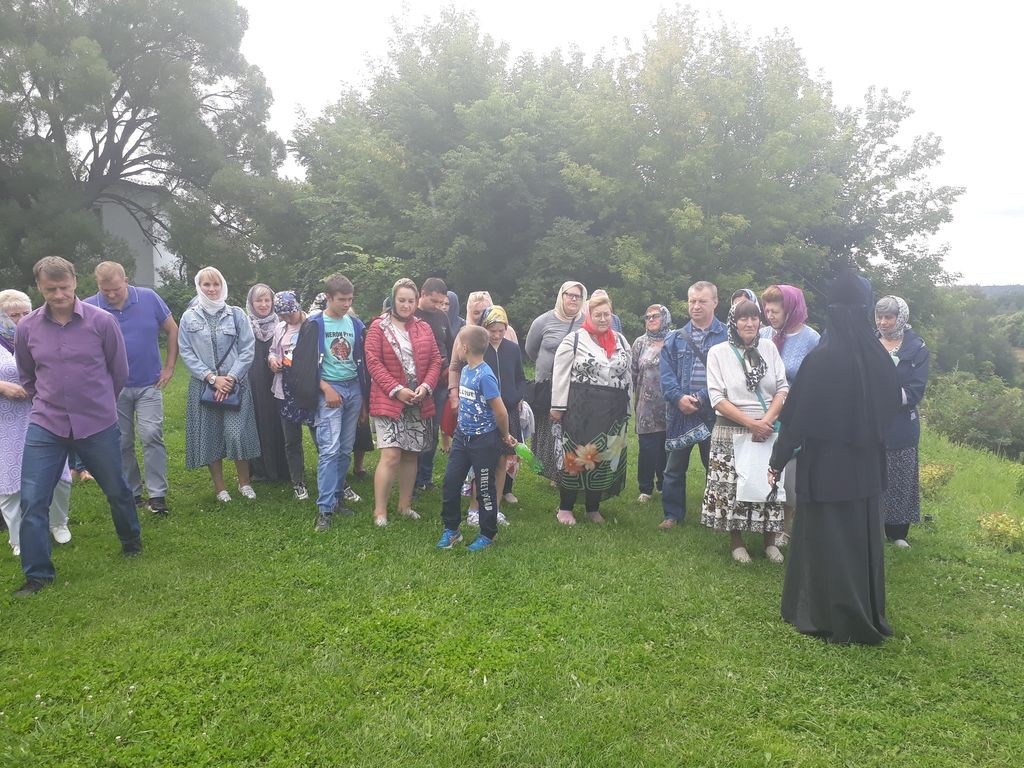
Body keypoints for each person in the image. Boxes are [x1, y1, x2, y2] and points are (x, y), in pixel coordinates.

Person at [769, 269, 901, 644]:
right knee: (858, 542)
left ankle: (825, 615)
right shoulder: (879, 358)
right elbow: (892, 406)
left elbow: (796, 419)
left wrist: (777, 459)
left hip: (827, 470)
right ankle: (864, 611)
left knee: (826, 541)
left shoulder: (822, 359)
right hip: (865, 471)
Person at [12, 256, 143, 597]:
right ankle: (37, 574)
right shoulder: (27, 328)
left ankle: (131, 541)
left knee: (117, 489)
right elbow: (27, 375)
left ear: (75, 283)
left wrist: (99, 404)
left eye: (64, 287)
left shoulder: (102, 322)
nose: (58, 295)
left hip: (97, 422)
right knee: (33, 500)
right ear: (39, 287)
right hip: (47, 423)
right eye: (50, 289)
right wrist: (47, 400)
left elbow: (118, 371)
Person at [85, 262, 178, 514]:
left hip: (149, 383)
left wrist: (169, 367)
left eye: (116, 289)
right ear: (98, 286)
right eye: (105, 290)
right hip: (112, 388)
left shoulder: (148, 298)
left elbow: (172, 329)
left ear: (126, 281)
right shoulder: (89, 307)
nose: (111, 295)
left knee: (151, 434)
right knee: (122, 440)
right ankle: (133, 492)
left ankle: (157, 495)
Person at [701, 299, 789, 562]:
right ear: (733, 322)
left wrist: (766, 421)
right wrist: (751, 424)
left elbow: (782, 387)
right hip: (732, 428)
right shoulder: (718, 352)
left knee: (769, 482)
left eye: (754, 318)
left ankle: (770, 541)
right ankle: (737, 542)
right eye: (743, 318)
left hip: (767, 427)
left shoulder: (768, 347)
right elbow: (717, 398)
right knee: (733, 487)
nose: (749, 323)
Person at [178, 266, 260, 502]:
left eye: (216, 284)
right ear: (199, 287)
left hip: (235, 384)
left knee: (237, 433)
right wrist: (212, 378)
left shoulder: (236, 315)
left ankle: (244, 483)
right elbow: (186, 351)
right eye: (207, 284)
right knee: (210, 435)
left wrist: (230, 378)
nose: (212, 289)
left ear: (222, 286)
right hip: (204, 385)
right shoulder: (189, 317)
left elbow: (247, 349)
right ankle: (220, 488)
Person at [364, 278, 442, 526]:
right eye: (401, 300)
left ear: (416, 301)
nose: (406, 305)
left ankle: (404, 505)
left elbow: (436, 360)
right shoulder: (378, 327)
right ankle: (380, 511)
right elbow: (373, 362)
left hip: (418, 400)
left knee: (411, 455)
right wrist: (397, 390)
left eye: (410, 301)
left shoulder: (423, 327)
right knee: (391, 455)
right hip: (389, 400)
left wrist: (425, 387)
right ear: (393, 300)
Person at [0, 290, 72, 557]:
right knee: (10, 481)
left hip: (43, 414)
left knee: (58, 474)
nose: (20, 319)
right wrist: (2, 386)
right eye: (13, 315)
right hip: (6, 420)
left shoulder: (43, 334)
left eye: (25, 313)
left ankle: (58, 522)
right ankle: (18, 536)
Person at [550, 293, 632, 525]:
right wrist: (557, 407)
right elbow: (560, 374)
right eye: (598, 315)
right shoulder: (575, 340)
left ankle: (592, 508)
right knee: (576, 457)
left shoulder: (621, 340)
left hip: (613, 410)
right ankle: (565, 508)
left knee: (604, 456)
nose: (603, 319)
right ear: (588, 316)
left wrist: (628, 406)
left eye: (607, 314)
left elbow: (628, 375)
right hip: (582, 409)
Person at [436, 326, 518, 552]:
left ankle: (487, 534)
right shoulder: (465, 371)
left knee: (484, 489)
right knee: (451, 483)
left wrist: (504, 435)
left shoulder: (485, 376)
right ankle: (452, 530)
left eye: (458, 345)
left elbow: (501, 412)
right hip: (462, 438)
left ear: (465, 348)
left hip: (484, 441)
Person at [658, 281, 728, 530]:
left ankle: (717, 514)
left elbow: (728, 377)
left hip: (714, 413)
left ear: (715, 303)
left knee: (716, 467)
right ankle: (672, 515)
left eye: (702, 301)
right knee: (674, 468)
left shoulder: (728, 336)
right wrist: (678, 398)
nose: (696, 306)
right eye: (692, 301)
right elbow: (665, 375)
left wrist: (699, 398)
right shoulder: (674, 338)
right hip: (680, 413)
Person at [759, 284, 820, 545]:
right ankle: (762, 522)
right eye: (767, 310)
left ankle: (784, 526)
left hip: (794, 414)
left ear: (791, 310)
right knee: (763, 467)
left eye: (775, 311)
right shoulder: (763, 334)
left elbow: (815, 380)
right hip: (762, 410)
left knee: (789, 473)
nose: (769, 316)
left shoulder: (812, 339)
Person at [309, 274, 368, 531]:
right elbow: (302, 365)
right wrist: (325, 388)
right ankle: (324, 509)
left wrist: (363, 400)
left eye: (350, 299)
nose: (346, 304)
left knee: (345, 449)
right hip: (329, 389)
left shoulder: (355, 324)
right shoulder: (314, 324)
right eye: (342, 299)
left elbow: (362, 362)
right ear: (328, 298)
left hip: (353, 388)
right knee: (329, 449)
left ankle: (337, 497)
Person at [875, 295, 929, 548]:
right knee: (872, 473)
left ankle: (897, 532)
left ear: (901, 318)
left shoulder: (917, 348)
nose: (883, 322)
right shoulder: (870, 343)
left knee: (900, 477)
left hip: (901, 423)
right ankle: (872, 524)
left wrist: (883, 395)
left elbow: (916, 389)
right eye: (879, 317)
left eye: (889, 317)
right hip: (870, 422)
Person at [525, 281, 587, 483]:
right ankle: (553, 472)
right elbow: (530, 350)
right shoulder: (543, 321)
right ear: (561, 296)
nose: (574, 299)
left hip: (576, 387)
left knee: (572, 428)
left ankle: (570, 471)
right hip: (548, 387)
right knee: (550, 429)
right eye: (570, 295)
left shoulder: (586, 322)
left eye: (578, 296)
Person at [477, 305, 526, 525]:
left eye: (500, 330)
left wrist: (517, 396)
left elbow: (520, 377)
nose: (496, 335)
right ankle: (480, 494)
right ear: (484, 328)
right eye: (492, 331)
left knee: (506, 454)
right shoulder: (479, 348)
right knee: (486, 454)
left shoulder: (513, 349)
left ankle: (503, 493)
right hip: (485, 411)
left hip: (509, 409)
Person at [267, 291, 316, 500]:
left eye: (290, 314)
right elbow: (272, 350)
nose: (287, 318)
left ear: (297, 307)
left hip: (309, 389)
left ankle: (335, 480)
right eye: (282, 315)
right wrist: (272, 361)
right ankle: (298, 482)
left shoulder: (313, 325)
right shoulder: (280, 328)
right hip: (285, 390)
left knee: (320, 438)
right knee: (291, 440)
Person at [245, 283, 289, 483]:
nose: (263, 305)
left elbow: (290, 349)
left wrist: (282, 364)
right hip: (254, 380)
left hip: (278, 379)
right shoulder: (245, 324)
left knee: (280, 422)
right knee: (259, 422)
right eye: (259, 300)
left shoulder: (282, 324)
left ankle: (283, 468)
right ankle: (261, 470)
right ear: (251, 303)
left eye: (267, 300)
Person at [415, 277, 454, 493]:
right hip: (417, 380)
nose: (438, 306)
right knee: (415, 429)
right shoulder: (412, 314)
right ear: (423, 294)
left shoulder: (442, 317)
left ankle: (425, 477)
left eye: (441, 302)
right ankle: (412, 476)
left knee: (432, 429)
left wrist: (449, 369)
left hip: (440, 381)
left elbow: (450, 345)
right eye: (434, 301)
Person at [631, 304, 671, 503]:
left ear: (665, 317)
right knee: (647, 448)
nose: (651, 320)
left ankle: (664, 484)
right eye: (648, 317)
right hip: (646, 406)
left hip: (670, 406)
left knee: (667, 448)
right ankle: (645, 488)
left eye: (656, 316)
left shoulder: (674, 340)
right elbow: (632, 373)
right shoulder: (640, 342)